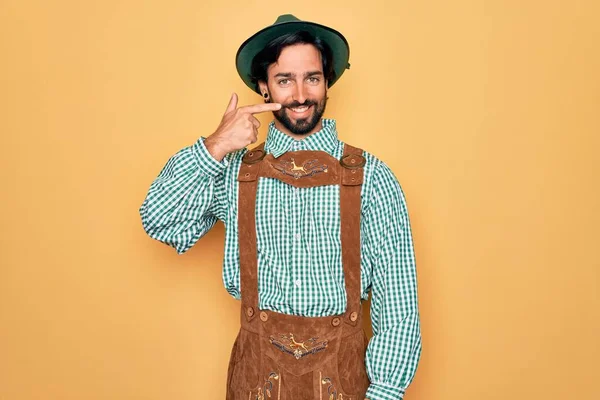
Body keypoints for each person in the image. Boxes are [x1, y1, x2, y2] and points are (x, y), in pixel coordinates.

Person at [139, 14, 422, 400]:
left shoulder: (372, 178)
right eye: (285, 80)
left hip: (344, 380)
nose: (301, 94)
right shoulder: (235, 171)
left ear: (327, 82)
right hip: (255, 378)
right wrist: (216, 145)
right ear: (264, 87)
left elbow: (399, 306)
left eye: (312, 78)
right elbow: (159, 221)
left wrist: (385, 392)